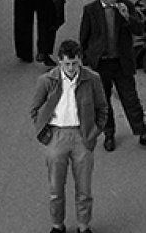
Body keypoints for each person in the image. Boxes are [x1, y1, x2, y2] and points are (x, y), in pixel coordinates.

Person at [30, 39, 109, 233]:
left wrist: (94, 133)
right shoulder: (47, 81)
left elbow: (103, 108)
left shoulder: (92, 79)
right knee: (55, 189)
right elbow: (35, 109)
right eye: (67, 64)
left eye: (74, 63)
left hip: (82, 135)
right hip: (56, 135)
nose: (71, 68)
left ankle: (83, 226)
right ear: (60, 61)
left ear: (80, 59)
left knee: (84, 189)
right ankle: (57, 225)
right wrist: (46, 134)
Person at [79, 0, 146, 153]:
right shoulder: (91, 10)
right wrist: (87, 60)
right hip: (102, 64)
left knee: (131, 99)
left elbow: (139, 30)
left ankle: (142, 133)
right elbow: (84, 37)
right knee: (103, 101)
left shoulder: (125, 6)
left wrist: (127, 17)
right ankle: (109, 133)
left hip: (122, 62)